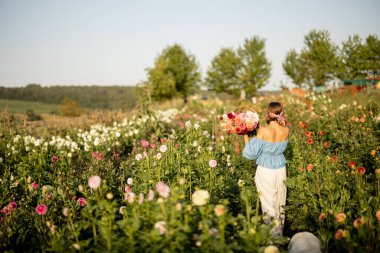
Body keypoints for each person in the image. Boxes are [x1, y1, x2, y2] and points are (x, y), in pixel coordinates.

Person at [243, 102, 289, 236]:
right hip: (281, 169)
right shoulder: (286, 130)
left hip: (266, 169)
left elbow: (250, 154)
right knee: (281, 202)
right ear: (281, 113)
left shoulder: (263, 130)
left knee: (268, 204)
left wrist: (246, 134)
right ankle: (280, 235)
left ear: (269, 113)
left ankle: (273, 239)